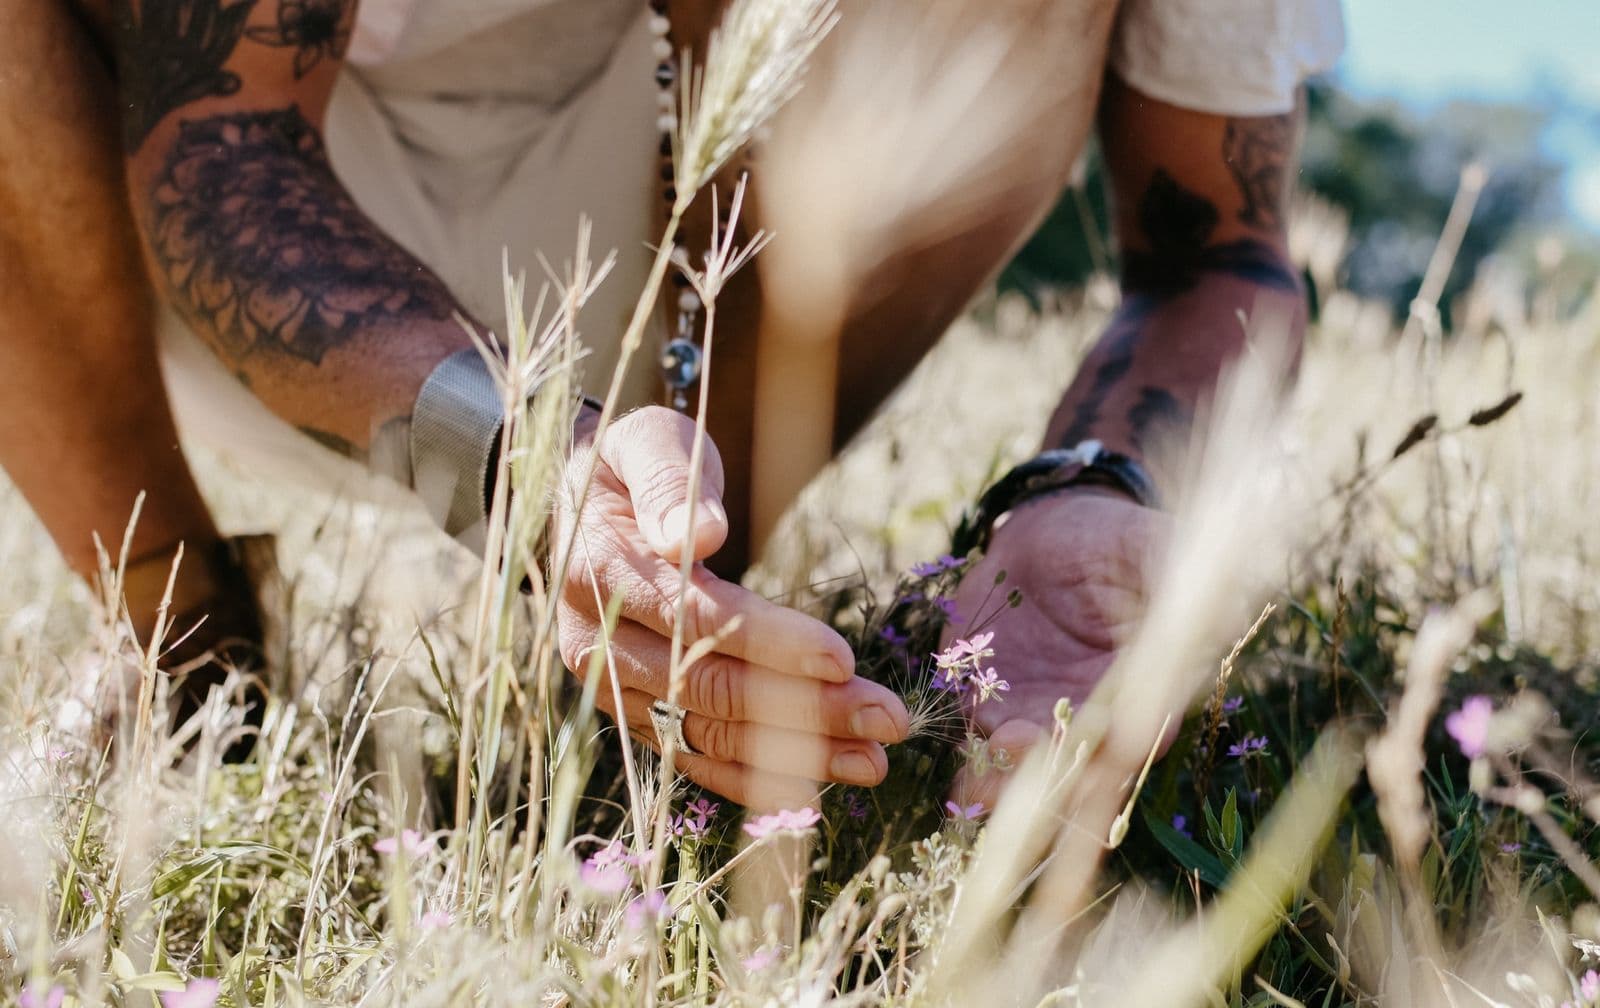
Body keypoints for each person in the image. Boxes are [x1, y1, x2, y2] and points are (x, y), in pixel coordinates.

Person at [0, 0, 1341, 805]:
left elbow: (1217, 248)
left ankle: (699, 584)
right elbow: (220, 154)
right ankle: (177, 628)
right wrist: (524, 462)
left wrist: (1096, 490)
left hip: (757, 250)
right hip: (159, 223)